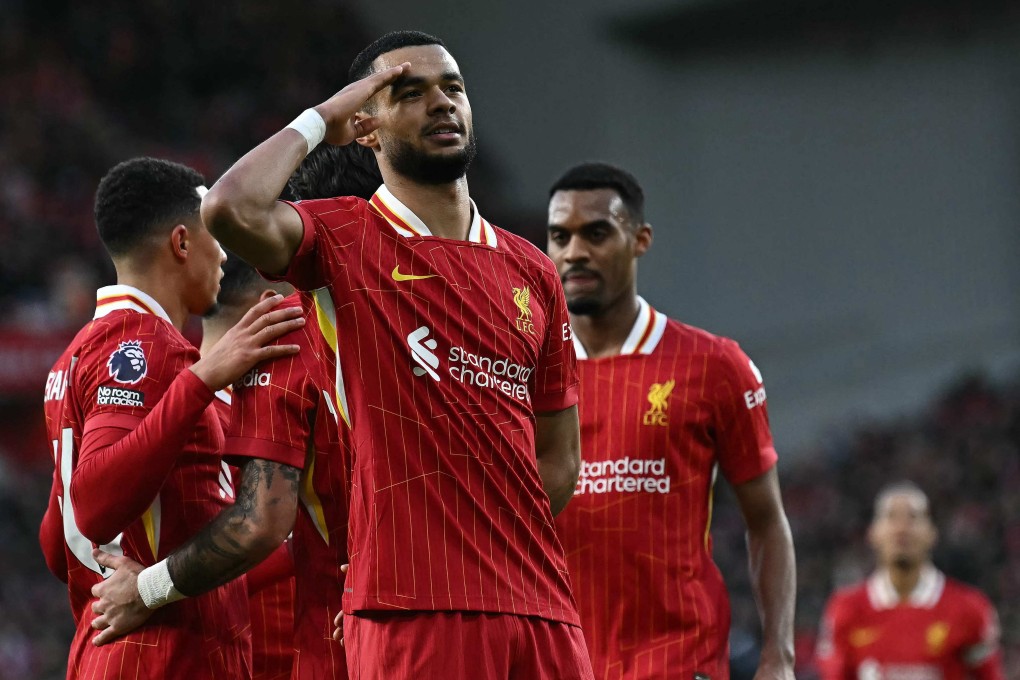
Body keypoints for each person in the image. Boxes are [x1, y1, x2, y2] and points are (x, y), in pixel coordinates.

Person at [199, 29, 591, 679]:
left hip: (544, 611)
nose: (441, 103)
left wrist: (487, 546)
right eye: (410, 93)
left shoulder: (534, 272)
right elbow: (230, 208)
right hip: (413, 612)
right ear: (369, 128)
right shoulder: (343, 236)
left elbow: (560, 456)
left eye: (453, 88)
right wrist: (323, 118)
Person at [89, 144, 383, 680]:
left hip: (289, 648)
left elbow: (257, 527)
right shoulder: (284, 360)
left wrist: (149, 587)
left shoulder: (155, 387)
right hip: (321, 644)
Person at [37, 157, 303, 679]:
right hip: (164, 655)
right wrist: (200, 382)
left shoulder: (73, 357)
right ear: (182, 243)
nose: (224, 254)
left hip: (115, 648)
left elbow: (57, 539)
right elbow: (93, 505)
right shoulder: (145, 346)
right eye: (214, 237)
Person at [547, 162, 796, 680]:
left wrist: (779, 655)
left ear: (640, 239)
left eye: (596, 233)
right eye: (559, 236)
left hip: (678, 659)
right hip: (556, 659)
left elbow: (766, 520)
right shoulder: (520, 372)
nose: (575, 252)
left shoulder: (714, 366)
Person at [201, 257, 297, 680]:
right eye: (306, 300)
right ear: (273, 305)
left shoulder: (171, 409)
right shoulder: (201, 420)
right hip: (253, 662)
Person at [816, 482, 1003, 680]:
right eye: (891, 517)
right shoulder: (846, 609)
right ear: (873, 533)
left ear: (932, 533)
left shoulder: (970, 609)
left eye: (913, 517)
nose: (902, 528)